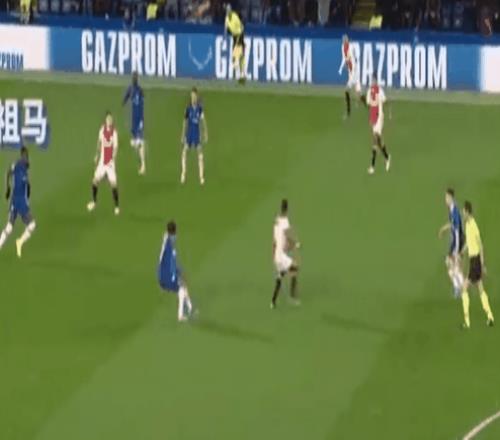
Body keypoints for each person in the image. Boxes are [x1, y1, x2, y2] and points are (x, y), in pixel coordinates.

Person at [460, 201, 494, 329]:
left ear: (468, 212)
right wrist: (462, 252)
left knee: (464, 288)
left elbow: (480, 244)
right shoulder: (467, 225)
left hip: (475, 260)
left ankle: (467, 322)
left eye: (464, 211)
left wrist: (482, 263)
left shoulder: (473, 225)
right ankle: (490, 316)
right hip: (473, 260)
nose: (463, 213)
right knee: (480, 288)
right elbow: (469, 242)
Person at [0, 146, 36, 258]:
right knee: (32, 224)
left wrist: (8, 188)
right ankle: (20, 241)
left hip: (15, 199)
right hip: (20, 201)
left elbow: (8, 173)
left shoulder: (18, 165)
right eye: (25, 156)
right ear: (23, 155)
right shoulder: (20, 165)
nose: (26, 158)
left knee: (9, 227)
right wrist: (8, 188)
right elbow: (27, 184)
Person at [158, 221, 194, 322]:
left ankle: (190, 307)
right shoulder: (171, 248)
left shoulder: (166, 240)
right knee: (181, 288)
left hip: (161, 273)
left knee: (183, 285)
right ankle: (180, 315)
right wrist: (179, 274)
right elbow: (173, 266)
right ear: (174, 232)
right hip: (167, 276)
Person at [87, 112, 120, 215]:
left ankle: (116, 206)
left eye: (110, 119)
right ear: (105, 120)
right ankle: (94, 202)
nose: (109, 120)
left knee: (114, 185)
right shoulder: (102, 130)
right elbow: (99, 142)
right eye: (108, 119)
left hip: (110, 163)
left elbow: (116, 147)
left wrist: (113, 158)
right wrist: (96, 155)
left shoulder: (114, 133)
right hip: (102, 162)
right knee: (94, 181)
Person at [271, 199, 300, 309]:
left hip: (277, 255)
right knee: (295, 268)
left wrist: (273, 254)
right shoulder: (285, 221)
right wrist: (296, 243)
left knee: (281, 275)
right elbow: (288, 235)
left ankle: (273, 302)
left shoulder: (277, 220)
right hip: (281, 256)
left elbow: (275, 240)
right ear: (287, 209)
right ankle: (293, 296)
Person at [438, 189, 465, 298]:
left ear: (451, 198)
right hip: (455, 240)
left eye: (447, 198)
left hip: (457, 241)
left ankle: (460, 287)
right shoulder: (452, 209)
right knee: (451, 263)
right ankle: (458, 286)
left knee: (453, 263)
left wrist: (443, 229)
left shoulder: (454, 211)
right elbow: (453, 224)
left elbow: (456, 227)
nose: (445, 200)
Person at [181, 87, 208, 185]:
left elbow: (203, 121)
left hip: (196, 134)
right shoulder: (188, 109)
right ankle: (183, 174)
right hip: (189, 134)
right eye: (192, 96)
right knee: (184, 153)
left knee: (200, 154)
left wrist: (205, 133)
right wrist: (182, 135)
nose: (193, 98)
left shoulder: (200, 109)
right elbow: (185, 122)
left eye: (195, 96)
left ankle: (201, 177)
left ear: (197, 97)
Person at [366, 75, 391, 174]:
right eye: (372, 81)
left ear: (376, 81)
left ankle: (372, 166)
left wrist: (388, 111)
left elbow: (385, 101)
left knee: (375, 140)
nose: (373, 82)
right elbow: (369, 103)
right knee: (379, 141)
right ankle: (387, 157)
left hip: (379, 117)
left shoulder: (380, 91)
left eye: (374, 81)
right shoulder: (369, 91)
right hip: (373, 117)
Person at [122, 72, 146, 175]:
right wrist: (124, 102)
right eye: (133, 78)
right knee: (135, 142)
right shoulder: (130, 89)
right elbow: (126, 98)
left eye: (135, 78)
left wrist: (142, 120)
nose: (134, 79)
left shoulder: (140, 90)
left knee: (140, 142)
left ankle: (143, 165)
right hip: (133, 119)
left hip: (139, 119)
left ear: (137, 79)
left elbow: (142, 105)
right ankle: (141, 162)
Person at [338, 34, 363, 119]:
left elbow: (352, 59)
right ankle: (360, 102)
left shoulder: (351, 47)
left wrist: (352, 71)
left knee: (347, 90)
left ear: (347, 40)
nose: (344, 41)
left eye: (345, 39)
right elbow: (344, 58)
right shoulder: (343, 47)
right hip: (351, 72)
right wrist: (341, 68)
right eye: (343, 39)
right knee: (357, 89)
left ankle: (348, 111)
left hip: (353, 72)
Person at [224, 4, 246, 83]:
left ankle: (240, 74)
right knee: (238, 56)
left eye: (229, 10)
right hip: (234, 37)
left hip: (239, 36)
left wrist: (241, 36)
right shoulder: (227, 18)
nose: (228, 11)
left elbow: (241, 26)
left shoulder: (235, 17)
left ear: (231, 10)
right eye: (227, 10)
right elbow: (226, 28)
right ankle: (241, 74)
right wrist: (225, 35)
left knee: (237, 55)